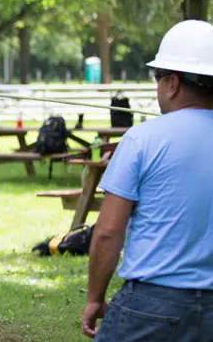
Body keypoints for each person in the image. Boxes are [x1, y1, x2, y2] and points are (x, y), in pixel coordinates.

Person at [81, 19, 213, 341]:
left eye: (158, 78)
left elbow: (109, 232)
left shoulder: (141, 139)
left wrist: (95, 298)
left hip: (150, 306)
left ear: (174, 83)